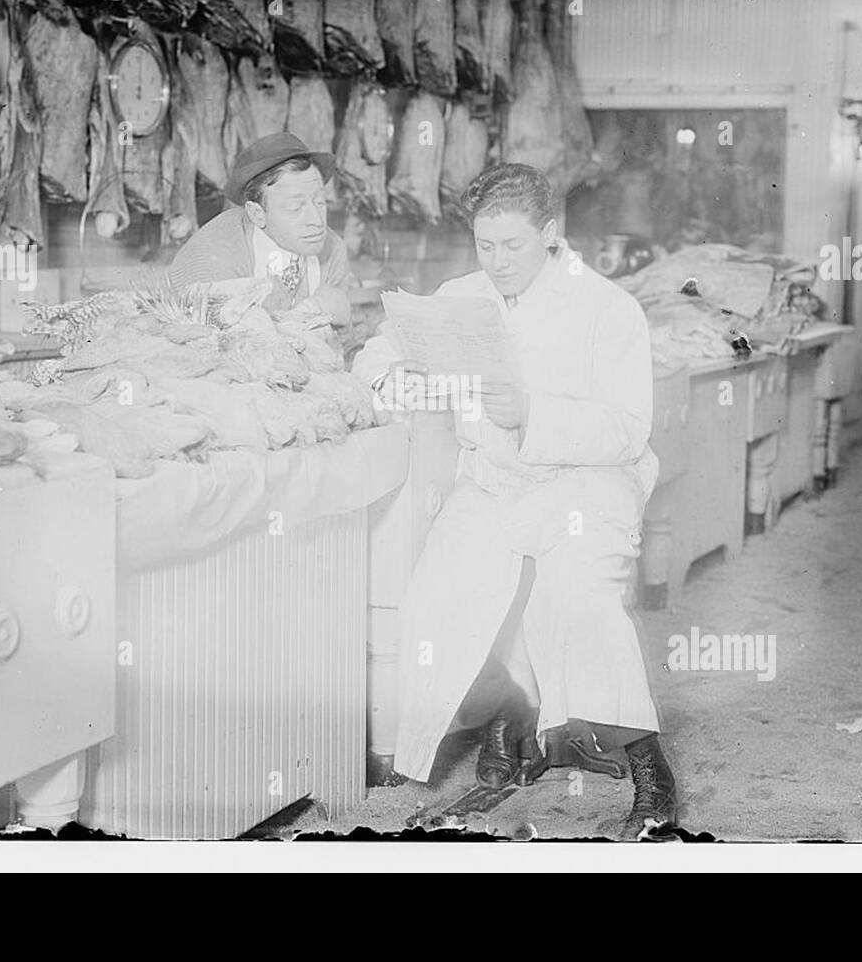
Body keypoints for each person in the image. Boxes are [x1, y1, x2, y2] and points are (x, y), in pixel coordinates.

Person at [352, 162, 678, 840]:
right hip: (495, 482)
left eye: (513, 247)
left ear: (551, 235)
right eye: (485, 245)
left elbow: (627, 429)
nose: (497, 263)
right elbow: (377, 350)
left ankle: (650, 767)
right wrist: (397, 375)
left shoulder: (609, 309)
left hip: (584, 482)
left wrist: (532, 412)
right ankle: (515, 709)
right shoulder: (464, 294)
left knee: (579, 600)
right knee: (435, 602)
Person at [167, 132, 353, 326]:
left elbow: (338, 337)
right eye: (296, 208)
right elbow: (208, 345)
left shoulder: (332, 249)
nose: (316, 221)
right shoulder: (215, 255)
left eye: (320, 202)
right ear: (257, 214)